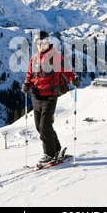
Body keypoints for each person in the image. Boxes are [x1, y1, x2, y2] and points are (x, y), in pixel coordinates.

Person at [22, 31, 80, 164]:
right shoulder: (34, 60)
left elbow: (68, 72)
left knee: (44, 126)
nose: (42, 45)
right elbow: (30, 77)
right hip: (37, 97)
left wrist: (73, 80)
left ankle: (49, 154)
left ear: (48, 43)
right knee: (40, 127)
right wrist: (26, 84)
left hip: (50, 97)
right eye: (39, 43)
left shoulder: (56, 58)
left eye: (44, 42)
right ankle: (57, 150)